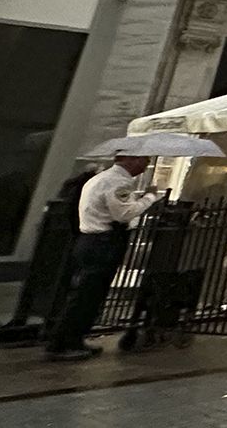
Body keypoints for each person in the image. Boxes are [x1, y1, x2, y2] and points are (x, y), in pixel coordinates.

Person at [45, 155, 160, 361]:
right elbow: (124, 214)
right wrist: (149, 197)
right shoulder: (118, 182)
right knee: (87, 295)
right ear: (130, 160)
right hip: (103, 242)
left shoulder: (100, 179)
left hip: (89, 240)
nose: (146, 165)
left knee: (86, 293)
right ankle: (63, 342)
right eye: (144, 160)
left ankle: (73, 339)